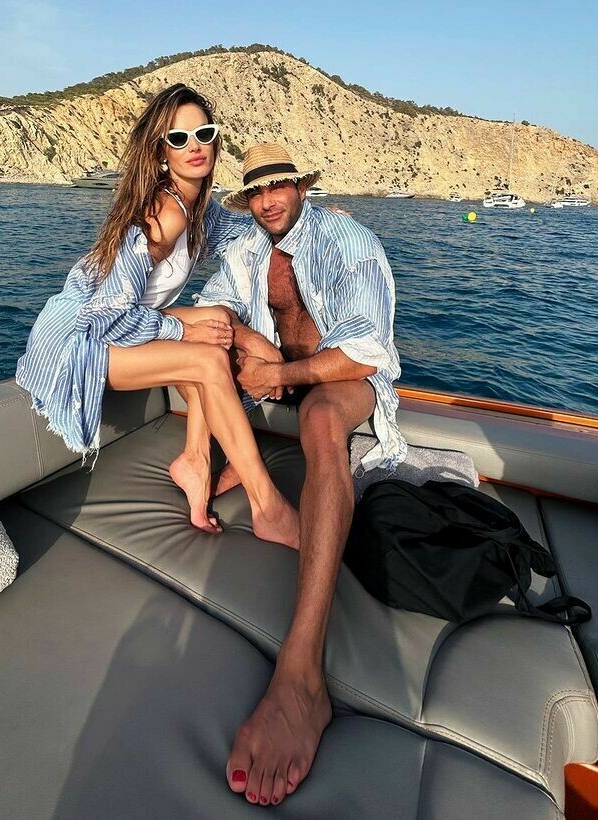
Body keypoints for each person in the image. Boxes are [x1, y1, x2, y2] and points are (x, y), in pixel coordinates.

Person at [192, 143, 408, 807]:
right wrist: (242, 338)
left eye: (279, 187)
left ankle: (302, 670)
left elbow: (367, 350)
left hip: (342, 381)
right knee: (204, 340)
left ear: (301, 188)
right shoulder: (247, 246)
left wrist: (278, 372)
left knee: (319, 420)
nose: (268, 202)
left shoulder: (347, 240)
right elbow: (212, 307)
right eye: (257, 192)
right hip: (276, 381)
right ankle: (214, 460)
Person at [15, 86, 298, 547]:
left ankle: (195, 460)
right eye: (178, 138)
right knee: (206, 354)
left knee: (215, 323)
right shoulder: (164, 216)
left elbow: (245, 234)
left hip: (112, 320)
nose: (195, 146)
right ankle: (269, 508)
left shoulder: (196, 207)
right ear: (162, 152)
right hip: (77, 339)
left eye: (204, 133)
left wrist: (309, 219)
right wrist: (182, 327)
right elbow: (107, 316)